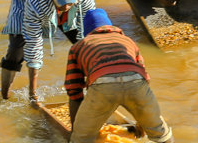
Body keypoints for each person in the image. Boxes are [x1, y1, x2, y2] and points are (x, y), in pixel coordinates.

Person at [64, 8, 172, 143]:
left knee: (81, 139)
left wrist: (75, 131)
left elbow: (74, 91)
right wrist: (142, 121)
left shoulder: (79, 46)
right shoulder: (128, 41)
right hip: (137, 83)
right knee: (162, 134)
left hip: (103, 86)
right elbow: (145, 77)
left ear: (88, 31)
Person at [0, 0, 95, 102]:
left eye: (69, 3)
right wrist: (33, 95)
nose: (66, 8)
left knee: (86, 46)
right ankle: (4, 96)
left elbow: (89, 32)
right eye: (62, 5)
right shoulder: (36, 2)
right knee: (16, 49)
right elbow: (34, 44)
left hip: (64, 3)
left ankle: (91, 86)